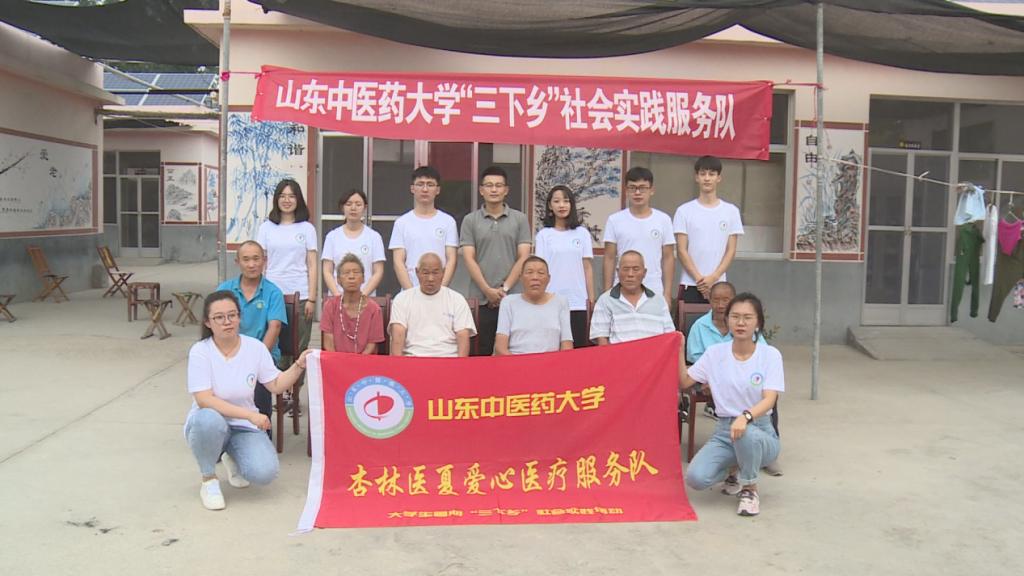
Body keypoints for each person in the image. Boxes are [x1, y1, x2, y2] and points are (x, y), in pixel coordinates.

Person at [184, 290, 310, 510]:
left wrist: (299, 365)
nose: (227, 322)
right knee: (208, 420)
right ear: (208, 322)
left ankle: (232, 455)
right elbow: (204, 399)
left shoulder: (255, 348)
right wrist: (251, 415)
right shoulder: (200, 351)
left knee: (265, 472)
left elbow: (276, 384)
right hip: (212, 422)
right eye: (219, 317)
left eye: (232, 315)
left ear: (239, 317)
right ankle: (209, 479)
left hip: (243, 427)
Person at [681, 292, 783, 517]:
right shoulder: (715, 354)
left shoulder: (769, 355)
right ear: (727, 320)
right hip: (725, 431)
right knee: (696, 478)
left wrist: (745, 417)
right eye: (735, 317)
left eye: (747, 317)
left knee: (745, 433)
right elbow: (685, 381)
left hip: (760, 432)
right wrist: (678, 349)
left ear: (758, 323)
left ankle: (750, 489)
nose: (741, 322)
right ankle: (733, 469)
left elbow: (770, 399)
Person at [460, 166, 532, 356]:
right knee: (481, 352)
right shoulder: (470, 220)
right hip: (481, 299)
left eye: (498, 186)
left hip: (514, 297)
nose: (494, 190)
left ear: (506, 190)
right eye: (489, 185)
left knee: (513, 351)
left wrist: (504, 289)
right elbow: (469, 258)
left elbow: (523, 257)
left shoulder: (520, 219)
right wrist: (487, 290)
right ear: (481, 190)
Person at [216, 241, 287, 424]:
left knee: (259, 383)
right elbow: (214, 324)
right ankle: (223, 429)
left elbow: (274, 327)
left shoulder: (273, 292)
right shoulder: (224, 290)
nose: (251, 264)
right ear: (237, 262)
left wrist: (254, 358)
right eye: (246, 259)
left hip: (263, 355)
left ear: (264, 260)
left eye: (256, 259)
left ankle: (262, 430)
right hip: (228, 353)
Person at [256, 178, 318, 361]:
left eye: (291, 196)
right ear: (276, 199)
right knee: (273, 343)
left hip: (301, 295)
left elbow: (312, 264)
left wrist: (312, 298)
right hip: (272, 293)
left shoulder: (307, 228)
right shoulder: (266, 228)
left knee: (299, 346)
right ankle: (275, 378)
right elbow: (261, 262)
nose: (287, 200)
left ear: (298, 199)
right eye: (282, 196)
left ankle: (296, 379)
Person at [674, 156, 744, 304]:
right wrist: (699, 279)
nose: (707, 178)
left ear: (719, 178)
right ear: (696, 177)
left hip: (719, 284)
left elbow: (731, 250)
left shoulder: (731, 211)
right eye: (703, 174)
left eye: (711, 174)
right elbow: (681, 250)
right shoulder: (684, 211)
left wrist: (714, 277)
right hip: (690, 283)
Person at [602, 167, 675, 307]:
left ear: (651, 190)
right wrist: (607, 292)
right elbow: (609, 257)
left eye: (642, 188)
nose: (637, 193)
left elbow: (668, 257)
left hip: (653, 288)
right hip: (622, 288)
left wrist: (667, 293)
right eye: (632, 188)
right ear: (626, 190)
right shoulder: (615, 220)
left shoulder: (663, 220)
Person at [534, 185, 596, 348]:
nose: (561, 205)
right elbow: (540, 270)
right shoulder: (544, 235)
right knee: (552, 348)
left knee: (578, 350)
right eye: (557, 201)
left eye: (566, 201)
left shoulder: (582, 233)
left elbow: (587, 267)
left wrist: (591, 299)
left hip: (578, 301)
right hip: (551, 300)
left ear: (571, 204)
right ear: (550, 205)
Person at [389, 253, 476, 357]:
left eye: (435, 273)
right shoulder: (402, 299)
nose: (430, 278)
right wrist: (398, 365)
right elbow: (398, 337)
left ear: (443, 272)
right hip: (413, 358)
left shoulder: (457, 300)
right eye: (425, 273)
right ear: (417, 272)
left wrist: (460, 365)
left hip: (448, 358)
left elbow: (463, 337)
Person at [388, 166, 458, 290]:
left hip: (440, 292)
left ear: (438, 190)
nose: (425, 189)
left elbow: (451, 259)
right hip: (410, 291)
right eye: (420, 184)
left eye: (430, 185)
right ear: (412, 188)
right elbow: (398, 261)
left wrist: (440, 290)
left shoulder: (448, 221)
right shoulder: (402, 222)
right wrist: (411, 293)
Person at [590, 250, 676, 345]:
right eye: (626, 269)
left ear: (644, 273)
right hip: (619, 354)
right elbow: (601, 339)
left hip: (654, 353)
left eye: (636, 269)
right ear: (618, 272)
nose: (630, 274)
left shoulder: (659, 301)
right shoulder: (605, 300)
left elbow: (670, 337)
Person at [494, 256, 573, 355]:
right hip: (515, 361)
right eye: (529, 272)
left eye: (541, 273)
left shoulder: (561, 302)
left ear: (548, 279)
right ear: (521, 278)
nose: (535, 277)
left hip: (551, 362)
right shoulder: (508, 302)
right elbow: (500, 348)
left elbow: (567, 346)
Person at [685, 280, 736, 420]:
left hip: (738, 372)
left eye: (725, 300)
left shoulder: (742, 323)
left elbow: (760, 351)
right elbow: (694, 358)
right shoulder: (699, 326)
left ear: (734, 301)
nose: (720, 305)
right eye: (716, 300)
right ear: (709, 300)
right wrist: (712, 376)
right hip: (706, 374)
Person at [321, 189, 385, 297]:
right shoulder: (332, 236)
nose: (353, 208)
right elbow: (327, 270)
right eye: (349, 204)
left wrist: (362, 296)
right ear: (342, 207)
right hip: (337, 298)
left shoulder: (374, 237)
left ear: (365, 208)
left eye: (358, 204)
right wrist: (338, 296)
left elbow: (378, 271)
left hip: (366, 298)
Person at [320, 254, 385, 354]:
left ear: (363, 278)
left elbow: (371, 347)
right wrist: (339, 362)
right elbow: (328, 345)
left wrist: (355, 363)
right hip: (335, 361)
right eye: (346, 273)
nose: (351, 277)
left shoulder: (374, 309)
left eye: (356, 272)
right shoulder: (330, 306)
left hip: (365, 362)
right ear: (338, 280)